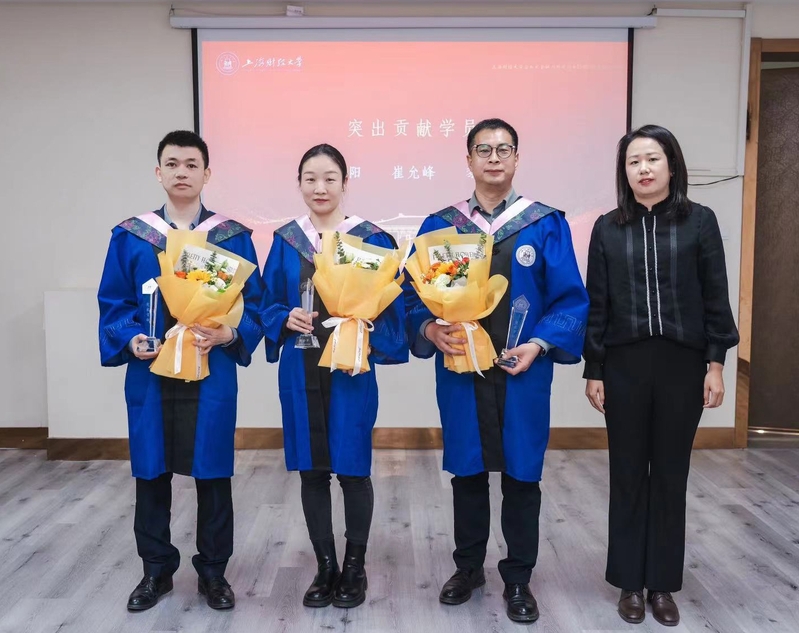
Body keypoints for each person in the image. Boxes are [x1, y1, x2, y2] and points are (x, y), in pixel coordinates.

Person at [405, 118, 589, 624]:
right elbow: (410, 295)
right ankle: (468, 568)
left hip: (522, 371)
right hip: (461, 370)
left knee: (522, 474)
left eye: (503, 149)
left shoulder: (544, 224)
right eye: (483, 149)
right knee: (467, 470)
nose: (493, 157)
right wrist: (429, 330)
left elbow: (570, 298)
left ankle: (518, 578)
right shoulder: (440, 226)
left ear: (516, 159)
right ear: (468, 159)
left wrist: (539, 344)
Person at [98, 130, 264, 612]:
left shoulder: (232, 237)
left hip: (211, 369)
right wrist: (131, 337)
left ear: (206, 174)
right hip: (150, 371)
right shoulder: (132, 236)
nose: (182, 172)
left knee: (213, 470)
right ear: (158, 173)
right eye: (172, 164)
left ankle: (213, 572)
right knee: (151, 471)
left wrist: (230, 334)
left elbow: (253, 306)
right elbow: (114, 302)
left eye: (191, 164)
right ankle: (156, 571)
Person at [583, 124, 739, 627]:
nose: (643, 169)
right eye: (633, 162)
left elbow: (715, 296)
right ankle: (629, 582)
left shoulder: (700, 221)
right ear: (623, 172)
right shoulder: (608, 228)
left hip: (683, 367)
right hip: (624, 366)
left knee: (671, 475)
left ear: (672, 165)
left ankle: (663, 584)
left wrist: (715, 364)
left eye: (652, 159)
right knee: (627, 473)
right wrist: (594, 369)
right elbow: (598, 304)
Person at [260, 144, 408, 609]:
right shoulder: (287, 240)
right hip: (300, 366)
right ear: (299, 184)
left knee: (353, 468)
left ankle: (355, 566)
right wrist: (283, 317)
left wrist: (366, 322)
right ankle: (325, 565)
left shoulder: (371, 239)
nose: (319, 187)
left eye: (329, 178)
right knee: (312, 469)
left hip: (351, 367)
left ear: (346, 183)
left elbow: (394, 305)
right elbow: (266, 302)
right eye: (310, 178)